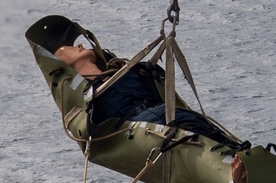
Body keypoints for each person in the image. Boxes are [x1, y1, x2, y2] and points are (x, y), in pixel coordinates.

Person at [54, 42, 231, 140]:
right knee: (187, 130)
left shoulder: (129, 71)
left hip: (160, 111)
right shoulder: (87, 98)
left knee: (201, 124)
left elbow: (157, 89)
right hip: (137, 125)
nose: (79, 45)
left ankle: (237, 154)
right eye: (68, 48)